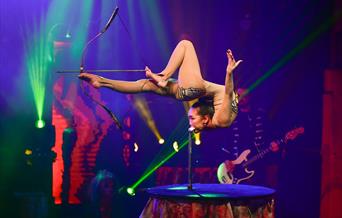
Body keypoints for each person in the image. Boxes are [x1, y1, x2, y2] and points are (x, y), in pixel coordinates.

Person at [79, 40, 242, 132]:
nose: (190, 123)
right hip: (189, 90)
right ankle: (101, 81)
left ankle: (163, 77)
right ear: (205, 119)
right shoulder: (220, 119)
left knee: (186, 45)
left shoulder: (219, 120)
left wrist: (229, 74)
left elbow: (228, 94)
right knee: (145, 85)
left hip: (193, 89)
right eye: (191, 119)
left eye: (191, 119)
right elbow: (227, 93)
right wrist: (229, 73)